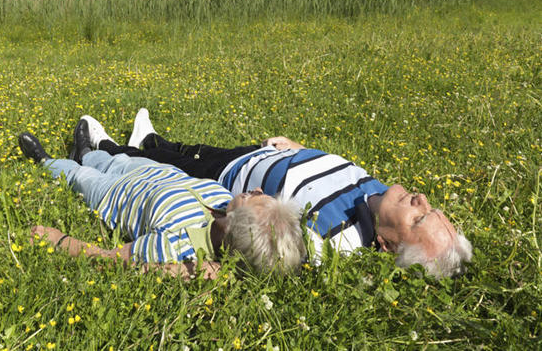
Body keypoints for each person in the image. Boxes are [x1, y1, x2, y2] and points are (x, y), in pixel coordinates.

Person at [80, 109, 472, 278]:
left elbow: (267, 254)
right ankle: (149, 138)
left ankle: (103, 149)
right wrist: (298, 148)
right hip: (264, 154)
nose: (420, 199)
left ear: (386, 246)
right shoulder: (382, 196)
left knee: (176, 164)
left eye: (418, 218)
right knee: (188, 148)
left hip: (233, 179)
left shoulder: (337, 243)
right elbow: (335, 174)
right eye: (430, 208)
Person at [17, 125, 305, 279]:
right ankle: (84, 151)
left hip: (113, 195)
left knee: (80, 176)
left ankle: (46, 161)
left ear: (231, 228)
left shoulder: (176, 246)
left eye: (251, 198)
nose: (254, 189)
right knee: (109, 159)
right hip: (147, 170)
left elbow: (113, 260)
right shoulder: (224, 201)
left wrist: (59, 239)